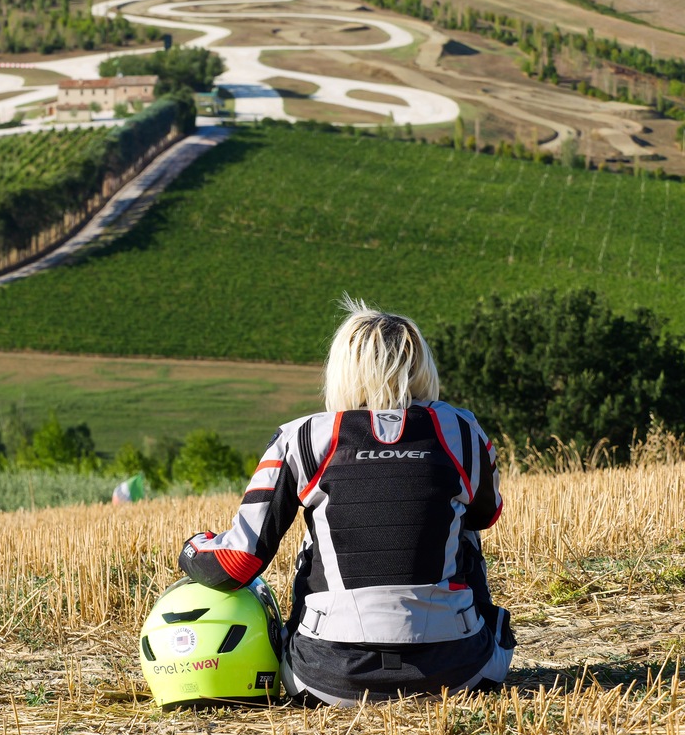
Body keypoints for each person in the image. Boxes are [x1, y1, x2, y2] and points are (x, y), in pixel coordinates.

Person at [177, 296, 515, 706]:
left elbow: (237, 563)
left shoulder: (301, 436)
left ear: (340, 370)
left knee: (319, 531)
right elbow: (486, 514)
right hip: (458, 672)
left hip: (327, 679)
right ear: (421, 366)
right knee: (461, 528)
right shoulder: (462, 429)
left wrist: (193, 547)